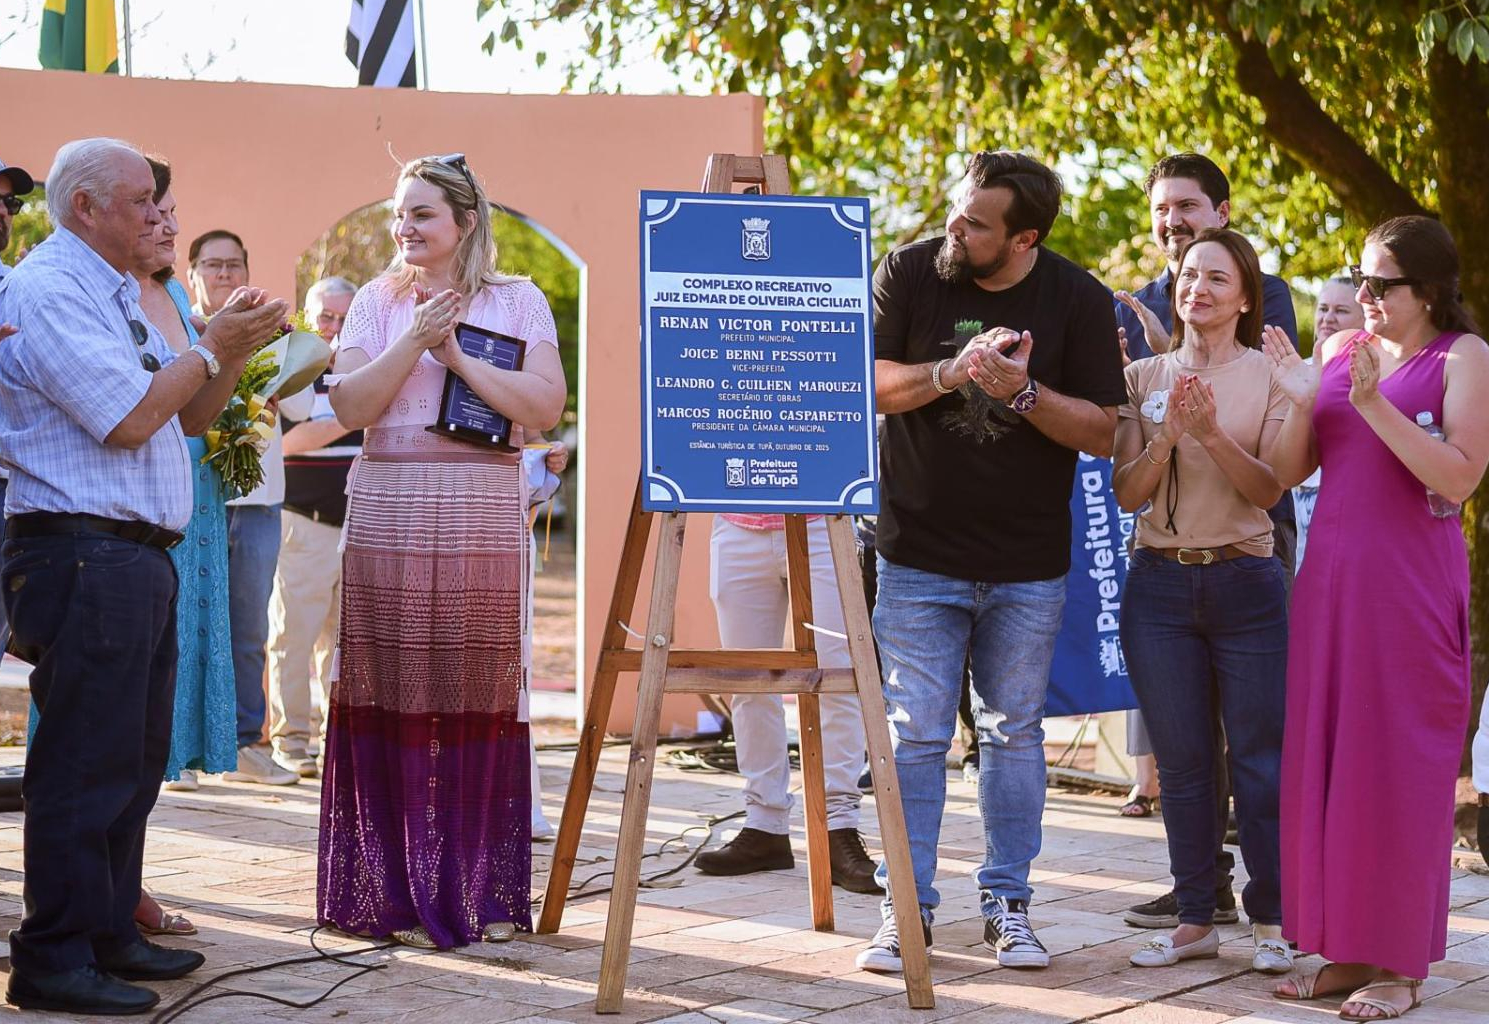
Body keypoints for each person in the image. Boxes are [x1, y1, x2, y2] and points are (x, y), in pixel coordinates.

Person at [0, 137, 284, 1016]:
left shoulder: (117, 292)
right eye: (139, 201)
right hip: (82, 550)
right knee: (83, 765)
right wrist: (209, 348)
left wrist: (226, 353)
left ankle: (108, 928)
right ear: (84, 208)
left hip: (132, 554)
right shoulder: (48, 290)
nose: (157, 214)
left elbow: (189, 416)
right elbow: (127, 417)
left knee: (129, 763)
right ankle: (52, 955)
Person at [857, 150, 1126, 974]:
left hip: (1026, 564)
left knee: (1012, 736)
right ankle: (906, 908)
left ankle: (1008, 906)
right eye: (957, 209)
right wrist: (951, 371)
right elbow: (863, 383)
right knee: (915, 737)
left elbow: (1107, 431)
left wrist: (1022, 392)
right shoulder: (908, 271)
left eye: (976, 223)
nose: (955, 228)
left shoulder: (1076, 297)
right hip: (915, 551)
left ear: (1023, 238)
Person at [319, 154, 565, 950]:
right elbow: (352, 405)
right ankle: (385, 887)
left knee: (469, 686)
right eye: (399, 212)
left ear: (464, 221)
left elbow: (544, 404)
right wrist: (416, 342)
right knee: (387, 681)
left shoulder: (516, 299)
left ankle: (468, 886)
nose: (405, 227)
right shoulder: (372, 303)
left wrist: (458, 355)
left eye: (421, 212)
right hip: (389, 499)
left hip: (482, 504)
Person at [1268, 215, 1489, 1021]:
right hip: (1329, 587)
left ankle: (1399, 965)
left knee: (1399, 772)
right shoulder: (1334, 352)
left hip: (1410, 591)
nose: (1359, 297)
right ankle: (1344, 949)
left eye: (1379, 285)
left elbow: (1459, 477)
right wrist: (1301, 398)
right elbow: (1286, 475)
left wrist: (1372, 405)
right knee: (1334, 767)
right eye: (1355, 280)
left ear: (1425, 289)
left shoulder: (1463, 358)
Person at [1113, 153, 1299, 931]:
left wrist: (1210, 434)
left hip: (1247, 583)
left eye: (1216, 277)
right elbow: (1127, 491)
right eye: (1188, 276)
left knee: (1260, 766)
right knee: (1184, 769)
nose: (1197, 288)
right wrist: (1163, 439)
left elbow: (1268, 489)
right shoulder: (1142, 376)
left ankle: (1273, 920)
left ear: (1247, 297)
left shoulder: (1272, 373)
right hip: (1156, 588)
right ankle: (1195, 913)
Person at [694, 511, 880, 894]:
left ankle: (838, 827)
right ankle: (765, 824)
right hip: (737, 518)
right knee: (749, 683)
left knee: (837, 677)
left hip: (822, 519)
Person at [187, 229, 311, 786]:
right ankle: (180, 748)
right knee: (185, 622)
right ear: (193, 274)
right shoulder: (179, 330)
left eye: (234, 265)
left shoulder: (271, 333)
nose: (224, 275)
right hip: (194, 497)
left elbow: (306, 401)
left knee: (246, 629)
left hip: (259, 501)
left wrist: (284, 365)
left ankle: (243, 745)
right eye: (212, 265)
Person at [266, 275, 360, 777]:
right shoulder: (289, 374)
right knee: (292, 640)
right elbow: (286, 444)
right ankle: (291, 744)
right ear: (307, 316)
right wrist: (352, 415)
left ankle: (334, 745)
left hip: (361, 528)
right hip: (303, 525)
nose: (336, 328)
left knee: (343, 646)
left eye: (346, 318)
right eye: (327, 316)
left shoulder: (365, 375)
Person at [1292, 276, 1365, 569]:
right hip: (1294, 504)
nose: (1327, 319)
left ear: (1365, 317)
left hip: (1348, 506)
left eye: (1341, 311)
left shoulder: (1380, 378)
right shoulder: (1294, 372)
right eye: (1323, 309)